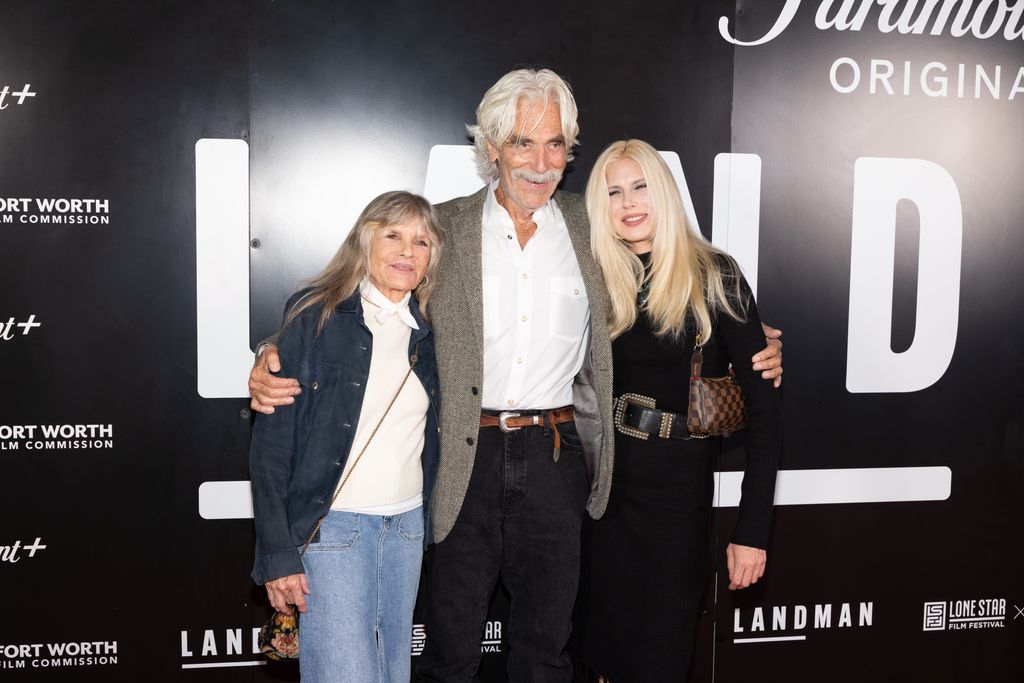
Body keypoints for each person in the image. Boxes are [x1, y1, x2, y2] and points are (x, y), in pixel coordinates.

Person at [248, 69, 783, 682]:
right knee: (451, 648)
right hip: (462, 460)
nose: (539, 160)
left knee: (547, 645)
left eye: (555, 143)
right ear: (492, 149)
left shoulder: (594, 228)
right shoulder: (442, 229)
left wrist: (757, 341)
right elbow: (359, 289)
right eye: (522, 143)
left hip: (558, 459)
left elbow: (677, 290)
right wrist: (272, 351)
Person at [573, 140, 781, 682]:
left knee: (659, 659)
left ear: (664, 192)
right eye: (613, 191)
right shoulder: (594, 277)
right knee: (598, 656)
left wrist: (752, 530)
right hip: (601, 493)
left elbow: (766, 416)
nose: (628, 202)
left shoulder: (715, 275)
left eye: (640, 186)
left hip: (677, 498)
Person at [249, 191, 444, 682]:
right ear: (365, 241)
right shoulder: (315, 316)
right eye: (393, 235)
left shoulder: (435, 330)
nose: (407, 251)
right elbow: (271, 450)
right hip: (333, 533)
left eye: (421, 241)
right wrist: (277, 555)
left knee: (392, 674)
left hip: (407, 530)